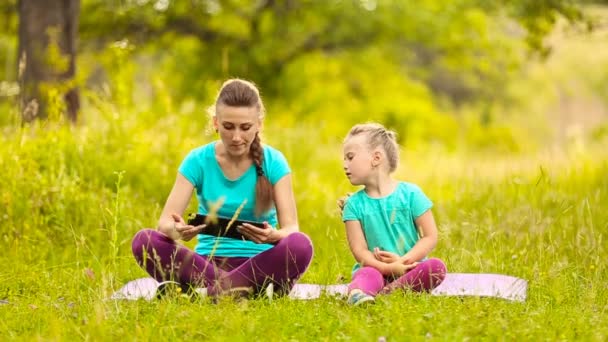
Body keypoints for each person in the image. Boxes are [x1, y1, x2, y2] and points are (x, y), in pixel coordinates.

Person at [131, 78, 313, 299]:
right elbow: (164, 224)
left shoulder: (274, 161)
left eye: (245, 128)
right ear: (216, 122)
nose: (236, 137)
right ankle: (237, 292)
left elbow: (291, 229)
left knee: (301, 245)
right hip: (205, 266)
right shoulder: (197, 160)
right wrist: (178, 231)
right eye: (228, 127)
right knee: (144, 241)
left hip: (261, 266)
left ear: (259, 124)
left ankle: (207, 294)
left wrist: (273, 236)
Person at [339, 122, 447, 305]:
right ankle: (359, 293)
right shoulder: (353, 205)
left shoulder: (412, 195)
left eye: (350, 157)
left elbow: (429, 236)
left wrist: (403, 263)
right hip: (375, 269)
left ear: (376, 158)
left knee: (436, 267)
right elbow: (360, 251)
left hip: (408, 268)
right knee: (365, 273)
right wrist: (387, 268)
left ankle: (387, 293)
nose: (344, 165)